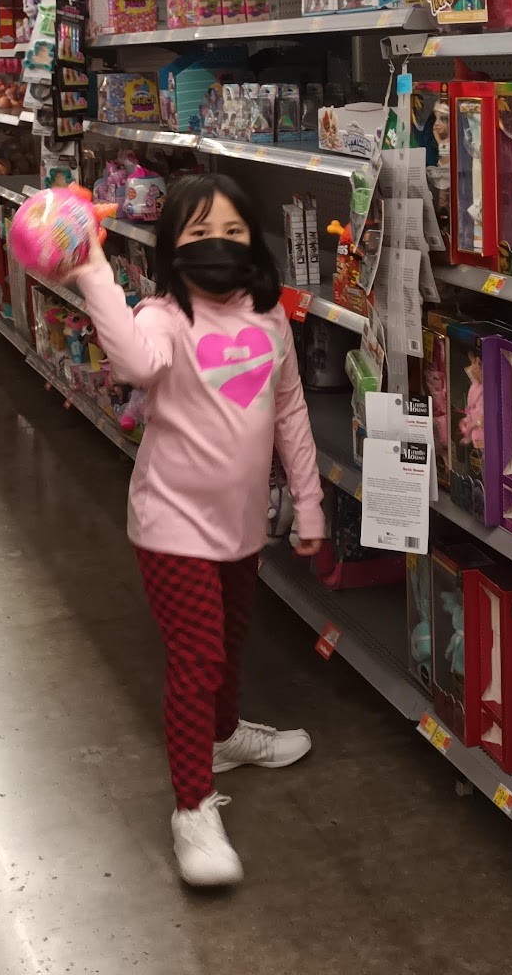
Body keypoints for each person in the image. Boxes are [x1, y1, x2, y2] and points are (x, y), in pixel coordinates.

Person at [72, 172, 324, 888]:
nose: (219, 244)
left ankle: (222, 737)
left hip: (240, 525)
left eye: (233, 232)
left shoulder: (270, 318)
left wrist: (309, 505)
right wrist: (92, 271)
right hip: (170, 522)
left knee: (230, 640)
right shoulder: (162, 317)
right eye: (200, 232)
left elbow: (290, 411)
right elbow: (134, 362)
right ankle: (191, 809)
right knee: (197, 656)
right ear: (171, 248)